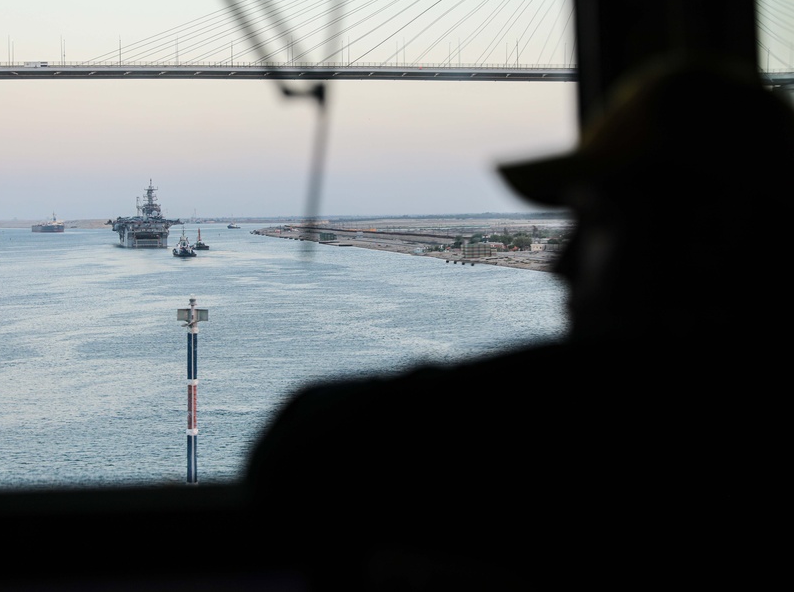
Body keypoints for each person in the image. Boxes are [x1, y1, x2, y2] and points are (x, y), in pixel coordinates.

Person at [240, 55, 793, 591]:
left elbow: (302, 451)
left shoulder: (647, 400)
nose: (560, 262)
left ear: (711, 234)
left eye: (598, 222)